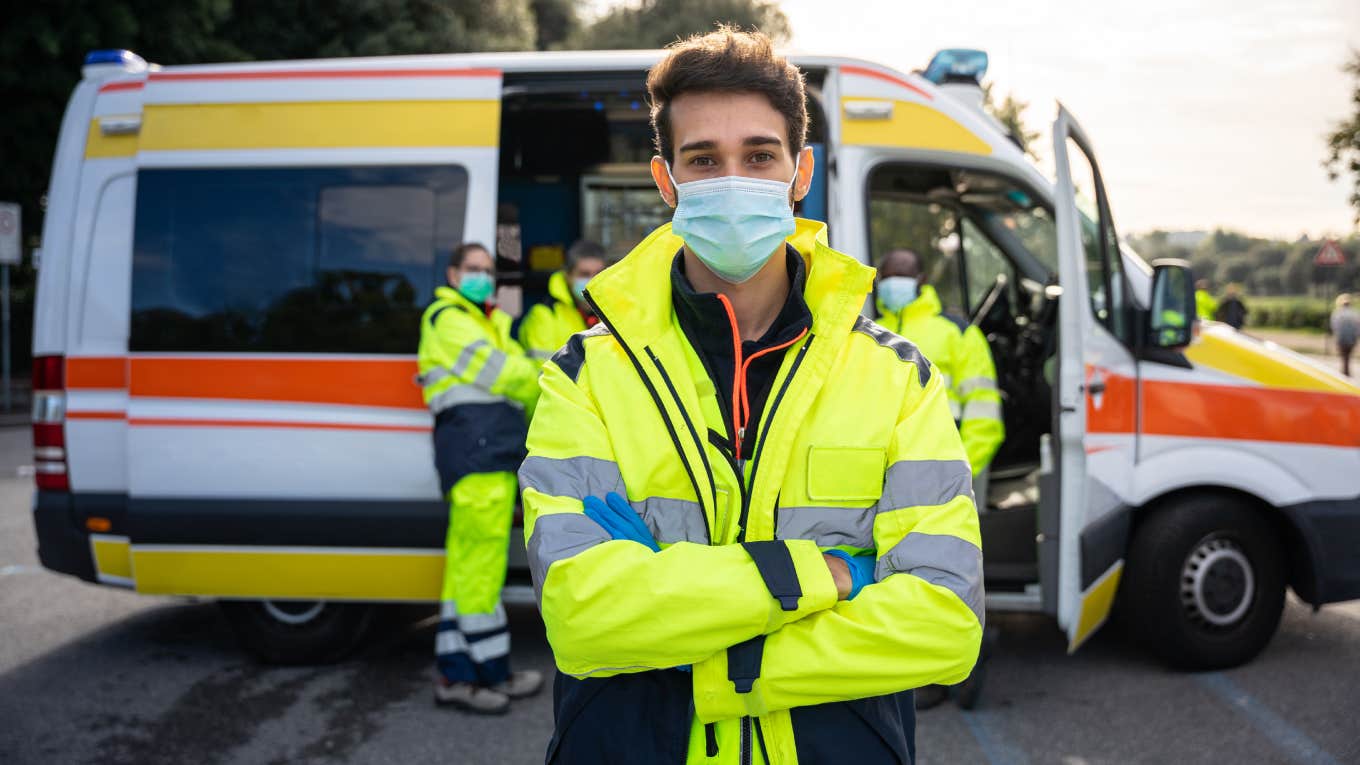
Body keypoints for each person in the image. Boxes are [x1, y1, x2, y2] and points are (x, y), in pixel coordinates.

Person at [521, 28, 982, 763]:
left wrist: (702, 643)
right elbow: (584, 618)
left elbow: (946, 622)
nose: (733, 178)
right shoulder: (584, 376)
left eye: (759, 156)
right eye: (704, 159)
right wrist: (832, 572)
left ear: (800, 173)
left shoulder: (898, 378)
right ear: (666, 181)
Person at [417, 243, 544, 713]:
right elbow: (508, 374)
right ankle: (484, 675)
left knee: (466, 572)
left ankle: (458, 674)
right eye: (472, 269)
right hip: (476, 453)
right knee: (479, 573)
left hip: (486, 452)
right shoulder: (447, 318)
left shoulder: (487, 321)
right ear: (452, 274)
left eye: (487, 271)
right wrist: (546, 375)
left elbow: (519, 373)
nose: (481, 278)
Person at [876, 249, 1004, 499]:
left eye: (901, 276)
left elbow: (984, 416)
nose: (893, 284)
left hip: (948, 476)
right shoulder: (871, 333)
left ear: (921, 280)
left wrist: (958, 474)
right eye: (888, 277)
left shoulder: (957, 333)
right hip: (884, 481)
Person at [517, 239, 609, 361]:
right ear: (568, 276)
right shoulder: (544, 316)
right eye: (584, 274)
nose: (592, 281)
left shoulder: (615, 314)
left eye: (598, 274)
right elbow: (543, 370)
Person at [1332, 293, 1359, 377]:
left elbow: (1334, 326)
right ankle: (1346, 371)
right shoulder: (1355, 313)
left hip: (1341, 338)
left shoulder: (1337, 313)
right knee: (1348, 355)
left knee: (1343, 356)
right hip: (1352, 338)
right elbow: (1358, 327)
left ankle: (1344, 371)